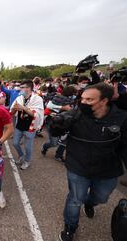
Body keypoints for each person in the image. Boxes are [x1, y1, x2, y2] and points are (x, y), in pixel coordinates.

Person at [50, 83, 127, 241]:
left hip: (108, 170)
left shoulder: (122, 118)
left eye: (89, 99)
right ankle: (70, 227)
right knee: (75, 199)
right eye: (82, 98)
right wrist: (57, 125)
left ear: (104, 101)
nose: (83, 102)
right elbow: (57, 130)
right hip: (78, 167)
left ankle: (91, 203)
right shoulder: (76, 114)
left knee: (101, 197)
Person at [11, 80, 44, 170]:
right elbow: (12, 112)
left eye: (22, 87)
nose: (20, 89)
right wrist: (14, 109)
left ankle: (27, 161)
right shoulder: (19, 98)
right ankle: (21, 156)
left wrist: (23, 108)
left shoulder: (37, 99)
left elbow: (36, 114)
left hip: (30, 126)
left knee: (28, 146)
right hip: (20, 124)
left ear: (28, 88)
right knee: (15, 143)